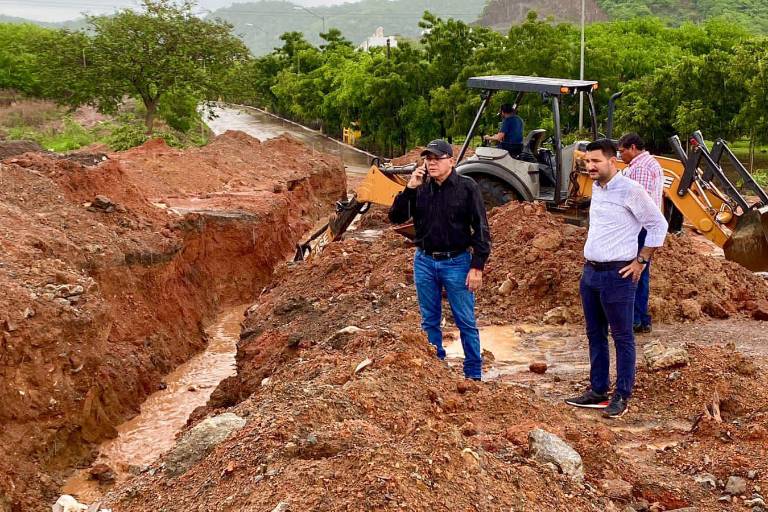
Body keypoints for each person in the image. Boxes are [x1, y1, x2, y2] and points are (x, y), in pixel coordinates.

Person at [565, 139, 668, 418]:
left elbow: (658, 224)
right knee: (594, 334)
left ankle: (622, 395)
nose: (590, 166)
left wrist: (641, 261)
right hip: (591, 273)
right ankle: (597, 391)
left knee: (622, 337)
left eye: (596, 161)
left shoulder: (630, 190)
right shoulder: (598, 189)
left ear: (613, 161)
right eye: (587, 161)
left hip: (618, 274)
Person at [388, 139, 491, 380]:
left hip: (457, 262)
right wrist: (410, 188)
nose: (431, 163)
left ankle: (473, 373)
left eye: (437, 158)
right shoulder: (421, 188)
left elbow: (481, 229)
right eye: (428, 159)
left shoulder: (467, 188)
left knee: (465, 321)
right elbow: (395, 217)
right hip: (424, 261)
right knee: (429, 320)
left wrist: (477, 266)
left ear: (451, 161)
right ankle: (436, 369)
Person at [618, 133, 664, 334]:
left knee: (632, 271)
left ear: (633, 147)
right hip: (645, 227)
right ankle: (641, 319)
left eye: (622, 151)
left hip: (639, 227)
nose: (621, 156)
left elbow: (638, 202)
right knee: (641, 273)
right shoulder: (650, 163)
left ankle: (633, 320)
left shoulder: (641, 168)